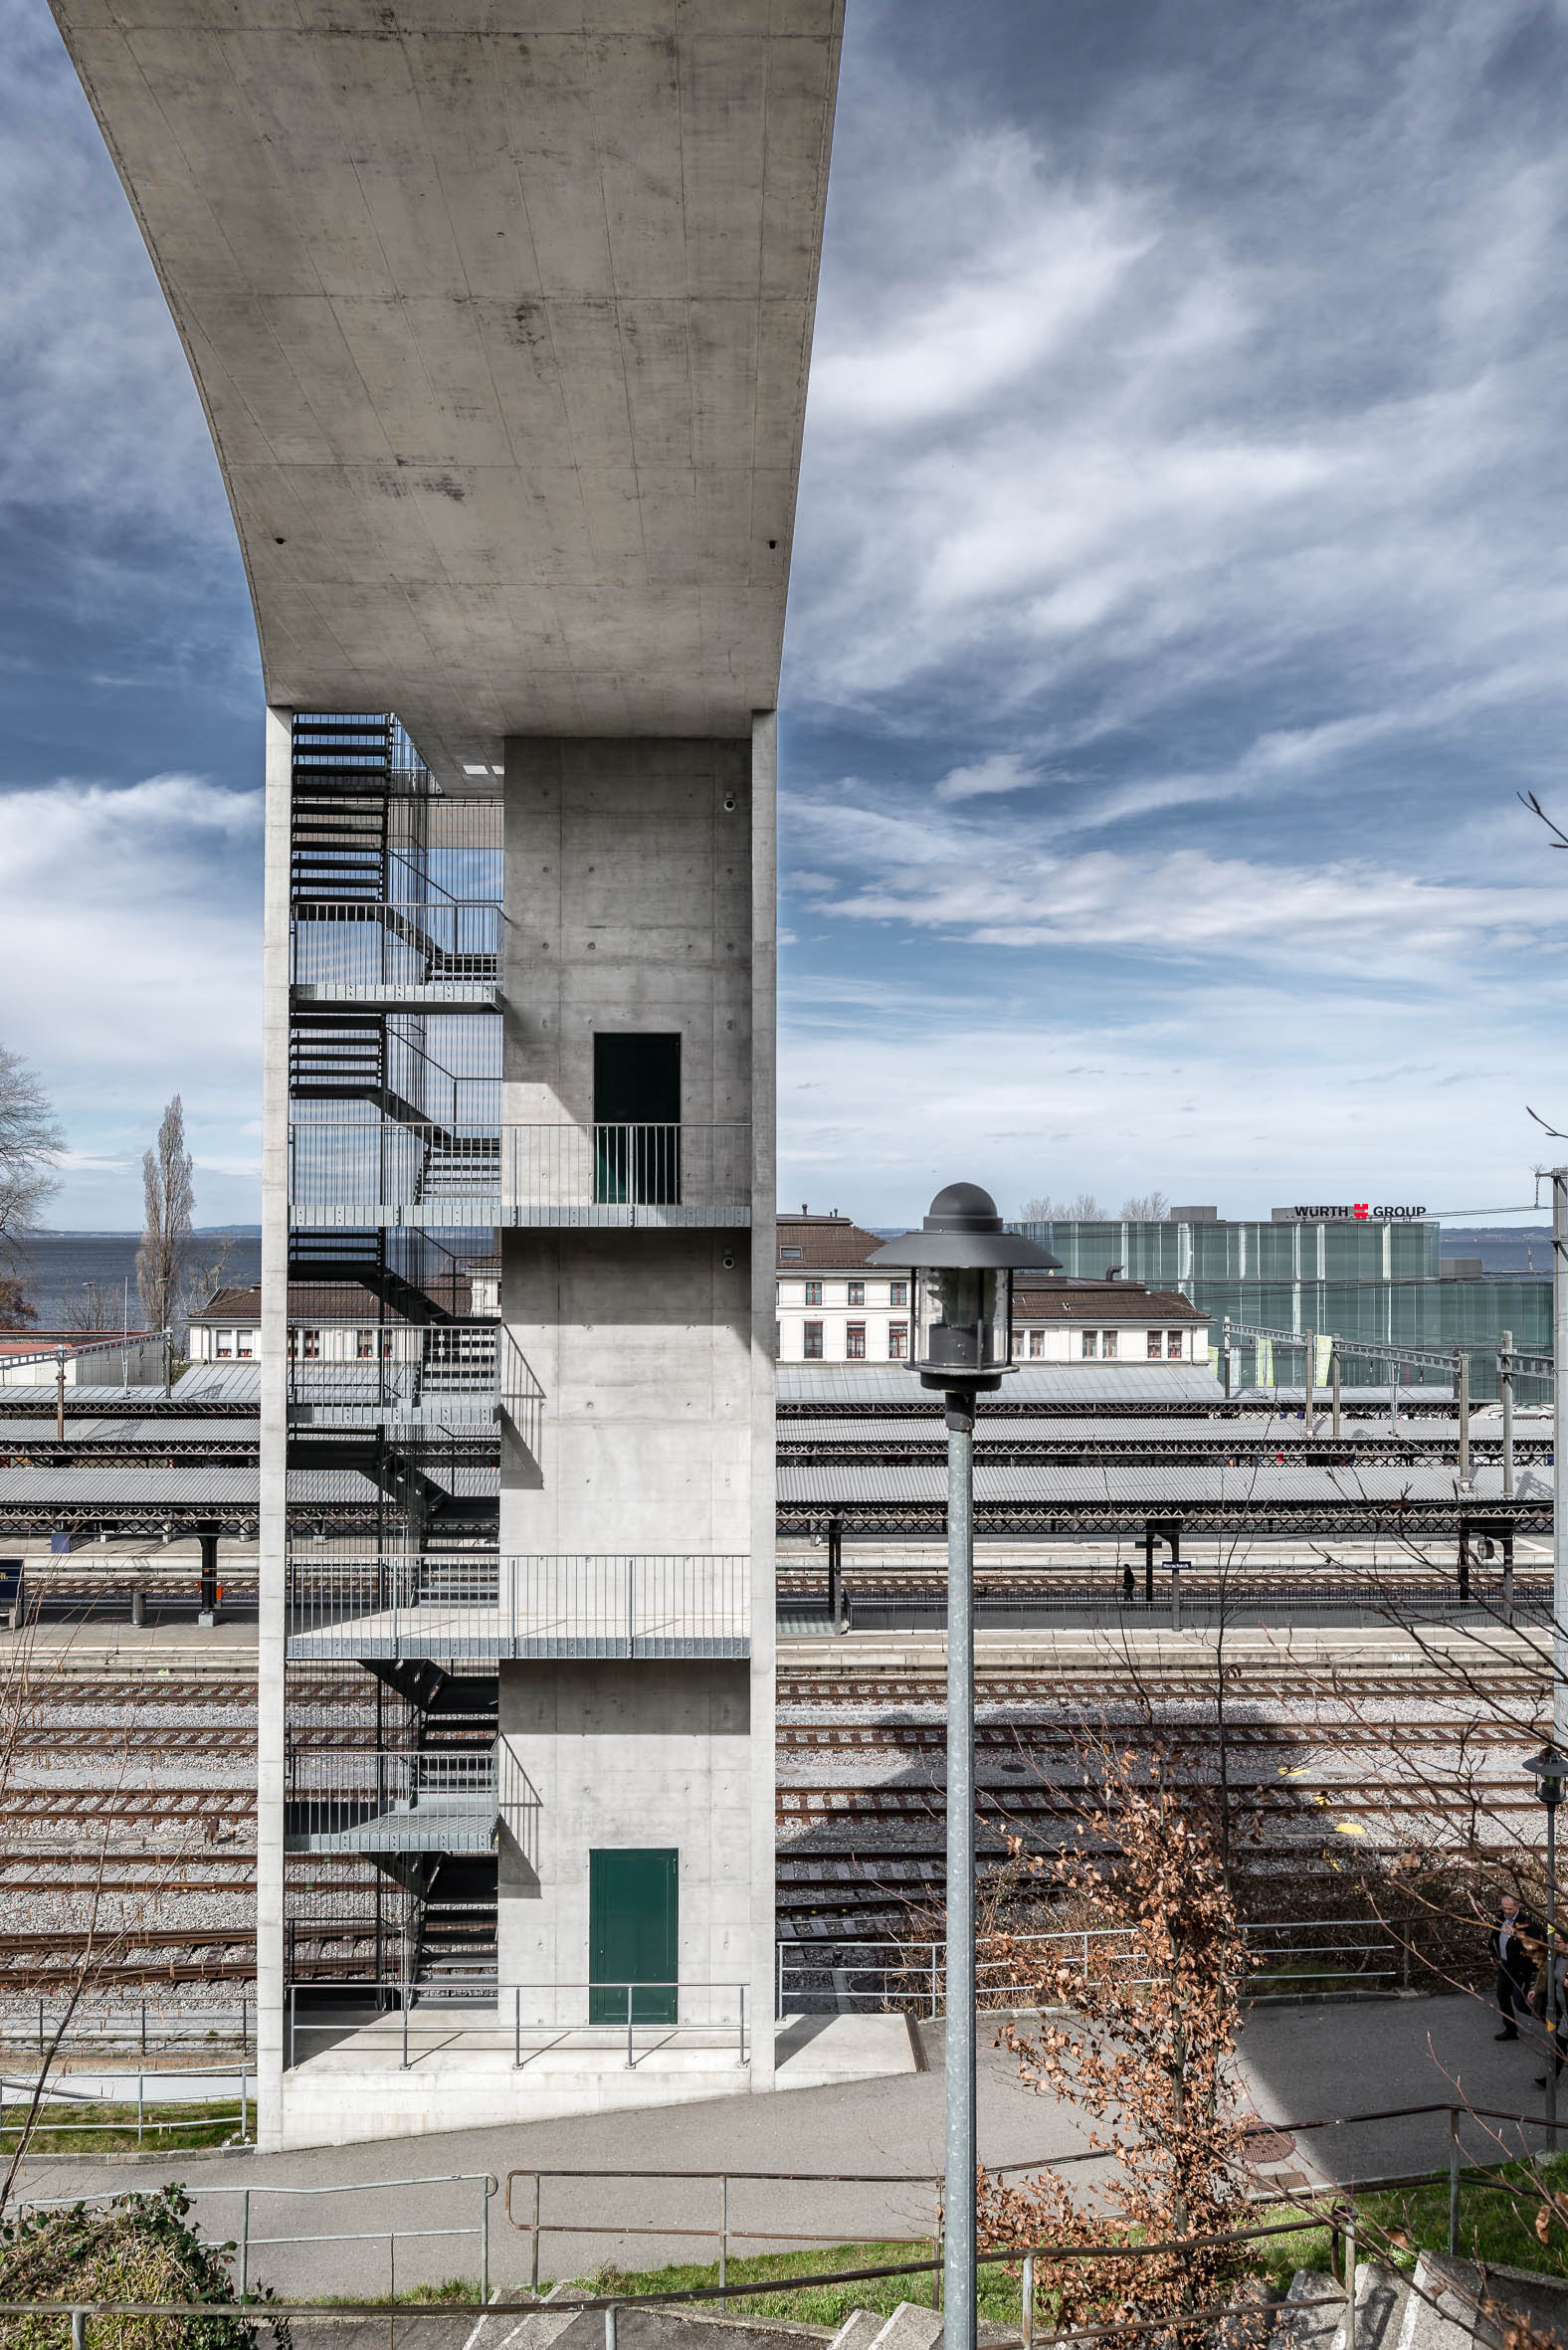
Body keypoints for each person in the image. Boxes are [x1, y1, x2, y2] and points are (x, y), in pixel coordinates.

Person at [1489, 1894, 1540, 2040]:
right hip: (1504, 1967)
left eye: (1510, 1909)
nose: (1507, 1912)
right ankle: (1511, 2030)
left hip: (1519, 1971)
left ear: (1517, 1906)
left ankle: (1553, 2021)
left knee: (1520, 2003)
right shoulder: (1501, 1919)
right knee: (1502, 1997)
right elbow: (1494, 1937)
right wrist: (1494, 1955)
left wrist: (1524, 1969)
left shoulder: (1526, 1925)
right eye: (1504, 1908)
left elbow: (1533, 1950)